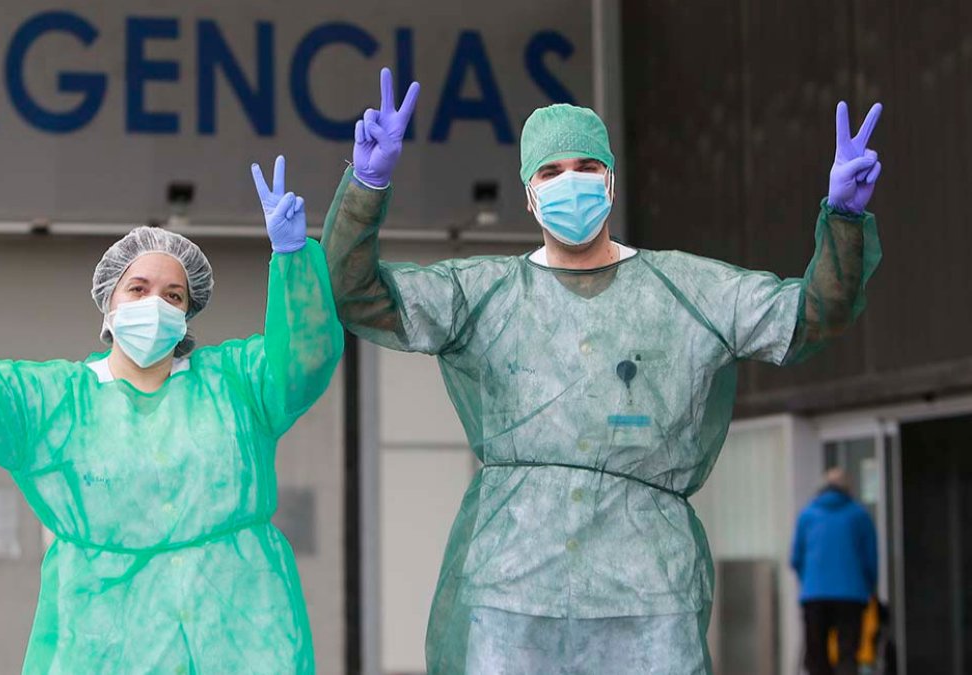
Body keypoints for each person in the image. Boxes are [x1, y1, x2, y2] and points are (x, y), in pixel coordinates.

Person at [321, 68, 883, 673]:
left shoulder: (690, 290)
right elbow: (358, 297)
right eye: (551, 172)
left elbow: (808, 317)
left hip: (647, 597)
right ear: (530, 195)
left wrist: (843, 221)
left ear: (611, 181)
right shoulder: (480, 293)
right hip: (511, 595)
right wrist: (367, 186)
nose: (572, 182)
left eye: (586, 168)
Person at [0, 155, 342, 673]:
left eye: (175, 295)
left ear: (188, 313)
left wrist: (292, 258)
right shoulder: (55, 402)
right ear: (110, 304)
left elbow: (306, 356)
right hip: (107, 648)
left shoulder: (239, 383)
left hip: (245, 641)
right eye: (139, 288)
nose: (157, 303)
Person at [792, 468, 878, 675]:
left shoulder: (807, 515)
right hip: (851, 596)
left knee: (817, 655)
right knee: (848, 654)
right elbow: (870, 559)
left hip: (814, 596)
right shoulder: (859, 515)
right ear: (848, 489)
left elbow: (796, 558)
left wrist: (810, 583)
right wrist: (869, 588)